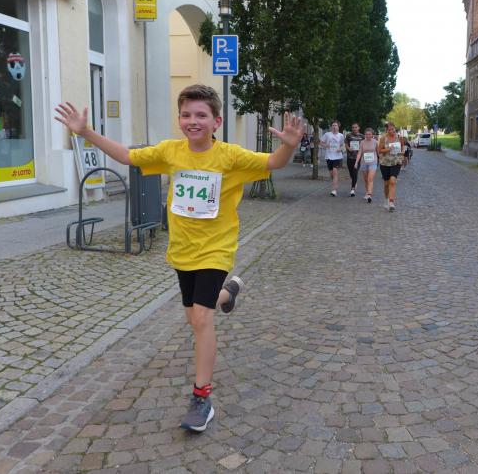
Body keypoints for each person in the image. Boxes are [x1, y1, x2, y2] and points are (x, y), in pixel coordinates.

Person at [53, 85, 302, 432]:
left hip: (216, 249)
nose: (192, 121)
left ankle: (202, 398)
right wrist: (86, 132)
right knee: (195, 315)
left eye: (201, 115)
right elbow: (126, 156)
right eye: (186, 115)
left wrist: (288, 145)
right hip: (182, 250)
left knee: (201, 319)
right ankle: (228, 293)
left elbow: (273, 162)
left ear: (216, 122)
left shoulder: (230, 157)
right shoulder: (170, 152)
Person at [377, 121, 405, 212]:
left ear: (395, 128)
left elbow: (402, 147)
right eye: (389, 130)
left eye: (392, 129)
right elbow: (379, 150)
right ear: (387, 130)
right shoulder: (383, 138)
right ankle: (386, 199)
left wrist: (402, 153)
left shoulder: (399, 138)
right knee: (386, 184)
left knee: (392, 181)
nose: (391, 131)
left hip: (396, 162)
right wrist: (388, 149)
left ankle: (391, 202)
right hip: (385, 163)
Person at [354, 127, 379, 203]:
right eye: (366, 134)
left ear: (372, 135)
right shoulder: (362, 142)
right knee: (365, 180)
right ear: (365, 134)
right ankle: (367, 192)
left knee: (370, 179)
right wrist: (356, 162)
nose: (368, 136)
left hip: (373, 162)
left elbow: (378, 152)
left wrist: (381, 160)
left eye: (369, 134)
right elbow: (359, 153)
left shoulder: (375, 142)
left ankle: (369, 195)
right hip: (364, 162)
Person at [320, 120, 345, 196]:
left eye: (336, 125)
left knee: (335, 172)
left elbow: (342, 145)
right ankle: (335, 183)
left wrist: (340, 149)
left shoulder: (341, 135)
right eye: (333, 125)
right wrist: (326, 145)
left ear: (338, 127)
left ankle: (334, 190)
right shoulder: (327, 134)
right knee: (332, 174)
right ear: (331, 127)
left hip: (337, 156)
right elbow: (321, 142)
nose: (334, 127)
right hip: (329, 156)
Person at [345, 122, 364, 196]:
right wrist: (349, 148)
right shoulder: (348, 135)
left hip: (358, 158)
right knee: (351, 173)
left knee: (355, 172)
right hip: (350, 157)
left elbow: (364, 145)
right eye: (353, 127)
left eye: (356, 127)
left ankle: (352, 189)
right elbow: (346, 144)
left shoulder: (362, 136)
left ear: (359, 128)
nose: (354, 129)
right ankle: (354, 182)